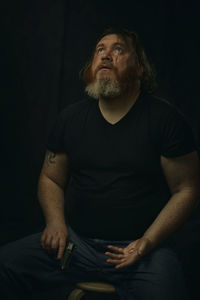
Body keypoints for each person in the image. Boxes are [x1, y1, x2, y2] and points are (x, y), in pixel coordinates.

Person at [0, 28, 199, 300]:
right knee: (5, 265)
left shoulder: (166, 121)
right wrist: (56, 223)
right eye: (99, 49)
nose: (106, 55)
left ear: (140, 68)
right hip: (76, 246)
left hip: (143, 251)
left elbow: (186, 189)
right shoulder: (70, 119)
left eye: (118, 49)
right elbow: (51, 179)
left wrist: (147, 242)